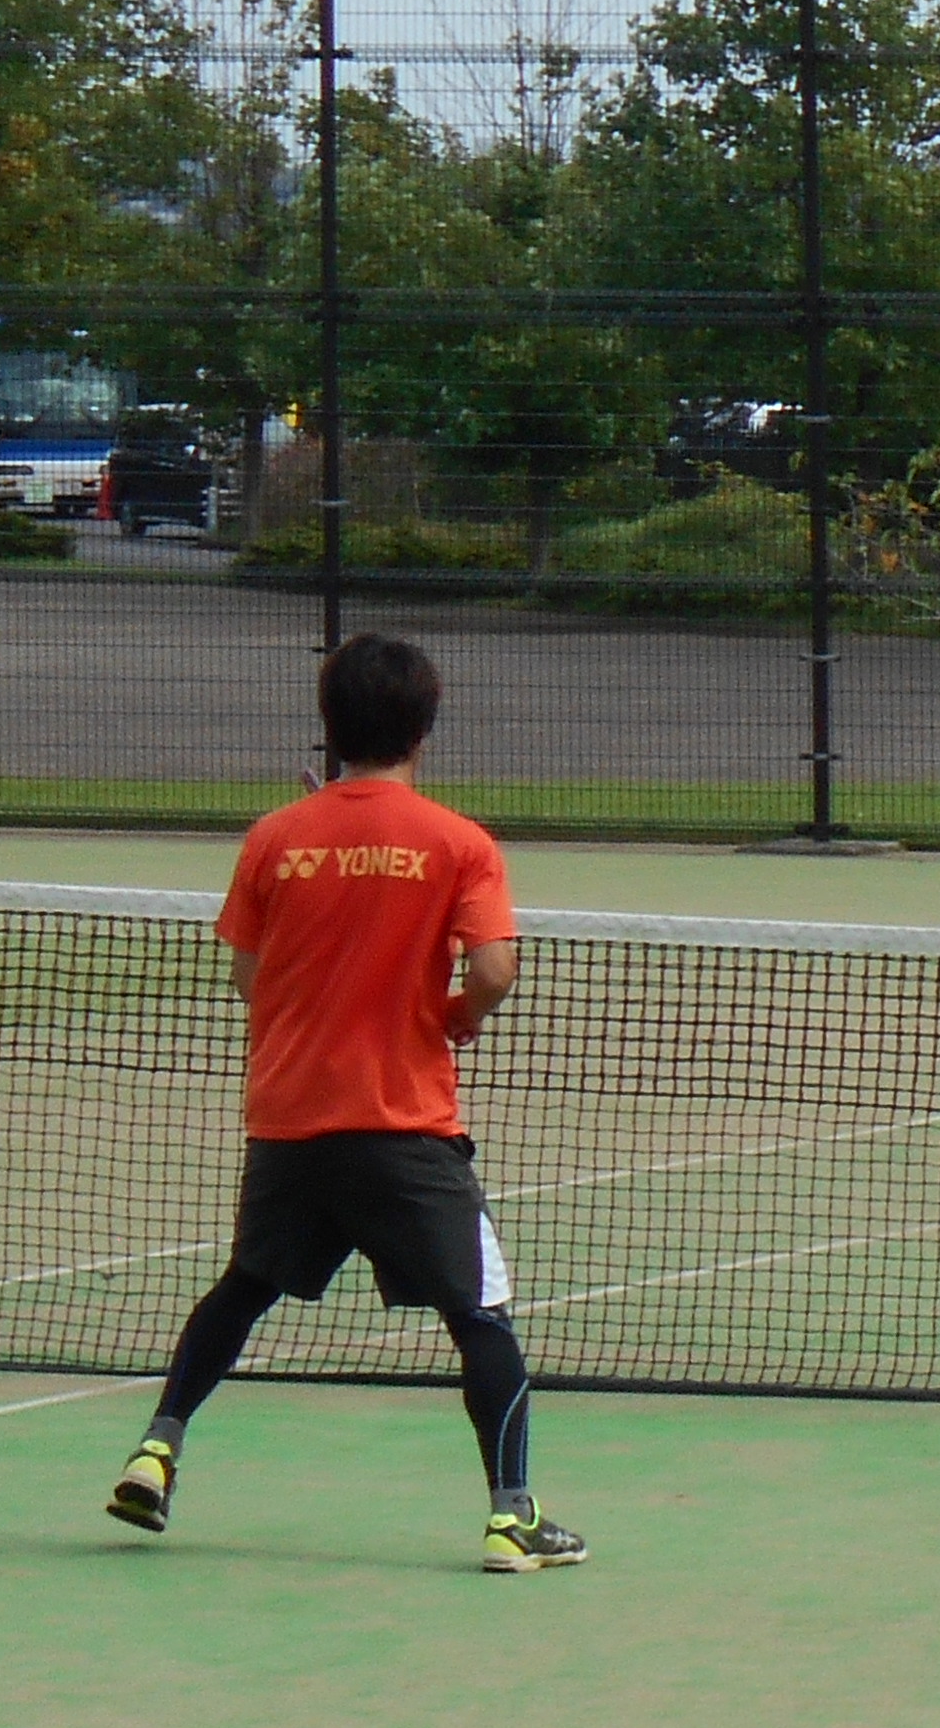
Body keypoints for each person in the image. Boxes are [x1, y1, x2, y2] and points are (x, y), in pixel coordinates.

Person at [102, 630, 583, 1574]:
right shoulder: (459, 843)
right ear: (425, 730)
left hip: (290, 1125)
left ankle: (157, 1448)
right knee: (482, 1318)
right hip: (405, 1129)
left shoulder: (276, 838)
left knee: (244, 1288)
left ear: (329, 729)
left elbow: (249, 974)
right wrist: (449, 1017)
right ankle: (512, 1517)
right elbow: (495, 969)